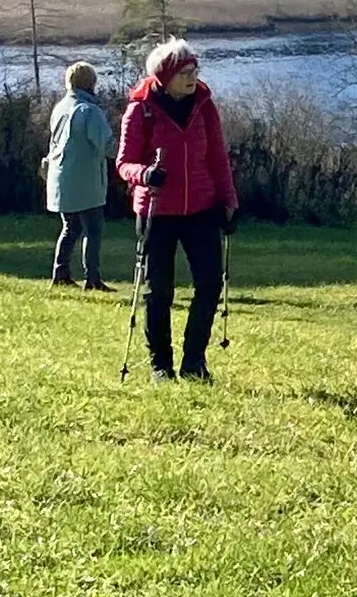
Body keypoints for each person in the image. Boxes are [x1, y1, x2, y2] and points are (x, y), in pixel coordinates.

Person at [116, 39, 238, 385]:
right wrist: (144, 174)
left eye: (194, 70)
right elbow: (124, 163)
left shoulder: (205, 105)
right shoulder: (140, 110)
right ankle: (160, 365)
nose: (192, 77)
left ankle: (194, 361)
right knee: (159, 291)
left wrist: (229, 200)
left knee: (210, 282)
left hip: (202, 207)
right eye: (184, 72)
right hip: (157, 211)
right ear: (164, 76)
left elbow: (218, 156)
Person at [44, 61, 115, 291]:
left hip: (61, 178)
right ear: (91, 83)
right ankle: (92, 278)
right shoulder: (89, 111)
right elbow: (106, 145)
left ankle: (60, 272)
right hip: (85, 181)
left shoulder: (60, 107)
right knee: (92, 229)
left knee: (70, 228)